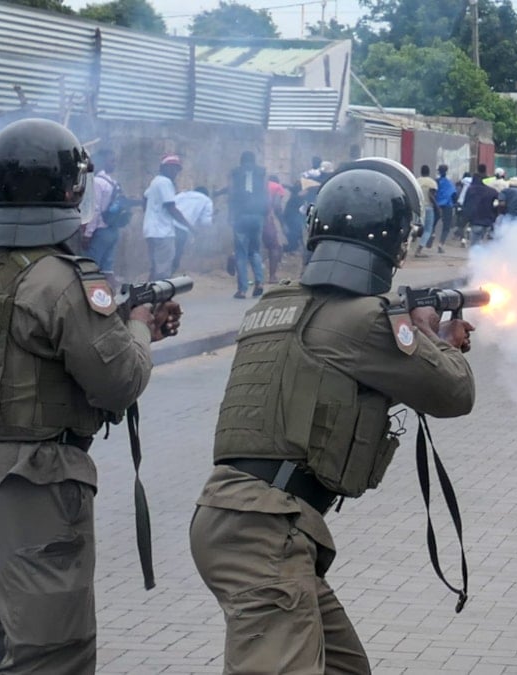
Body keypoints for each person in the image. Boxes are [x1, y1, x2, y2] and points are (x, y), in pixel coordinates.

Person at [189, 158, 474, 675]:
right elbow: (455, 393)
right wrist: (435, 336)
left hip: (243, 521)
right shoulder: (369, 321)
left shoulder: (275, 303)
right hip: (264, 533)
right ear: (396, 244)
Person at [0, 118, 181, 674]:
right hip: (39, 483)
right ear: (68, 188)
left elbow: (23, 348)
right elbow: (120, 381)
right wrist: (139, 326)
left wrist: (114, 320)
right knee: (54, 653)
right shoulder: (60, 279)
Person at [143, 154, 192, 281]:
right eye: (173, 168)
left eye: (177, 169)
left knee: (155, 267)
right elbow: (171, 208)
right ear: (164, 167)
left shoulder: (155, 181)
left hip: (151, 230)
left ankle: (148, 296)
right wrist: (188, 225)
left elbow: (145, 197)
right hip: (162, 232)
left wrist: (151, 215)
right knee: (163, 270)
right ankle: (161, 299)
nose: (175, 171)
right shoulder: (165, 182)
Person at [81, 148, 125, 289]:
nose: (114, 164)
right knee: (107, 271)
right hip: (112, 231)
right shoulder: (113, 182)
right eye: (112, 161)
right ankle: (117, 300)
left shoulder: (97, 182)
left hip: (100, 232)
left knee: (91, 270)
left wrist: (87, 234)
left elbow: (94, 209)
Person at [228, 152, 270, 298]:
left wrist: (230, 215)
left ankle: (242, 289)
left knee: (241, 254)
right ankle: (259, 282)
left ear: (241, 161)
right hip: (257, 216)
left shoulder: (235, 173)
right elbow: (266, 194)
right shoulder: (261, 172)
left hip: (241, 216)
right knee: (255, 251)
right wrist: (265, 214)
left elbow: (232, 194)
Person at [173, 186, 213, 274]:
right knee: (177, 254)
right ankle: (169, 276)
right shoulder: (206, 200)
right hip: (182, 228)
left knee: (165, 255)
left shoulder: (182, 195)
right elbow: (205, 222)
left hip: (167, 226)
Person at [463, 171, 499, 246]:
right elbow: (497, 206)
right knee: (484, 244)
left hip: (476, 221)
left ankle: (476, 256)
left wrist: (466, 219)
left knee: (474, 244)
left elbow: (467, 205)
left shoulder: (472, 190)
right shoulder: (493, 192)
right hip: (488, 222)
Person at [414, 164, 439, 257]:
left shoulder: (416, 181)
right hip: (428, 208)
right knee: (428, 230)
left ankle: (410, 245)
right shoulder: (432, 183)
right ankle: (418, 250)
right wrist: (437, 207)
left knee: (416, 228)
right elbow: (431, 196)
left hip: (418, 208)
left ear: (421, 172)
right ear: (429, 172)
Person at [435, 164, 458, 253]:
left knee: (433, 223)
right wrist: (455, 204)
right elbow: (454, 195)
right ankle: (441, 244)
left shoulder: (436, 181)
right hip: (448, 205)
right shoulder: (450, 183)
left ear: (438, 171)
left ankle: (432, 235)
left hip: (437, 205)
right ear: (446, 171)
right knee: (446, 227)